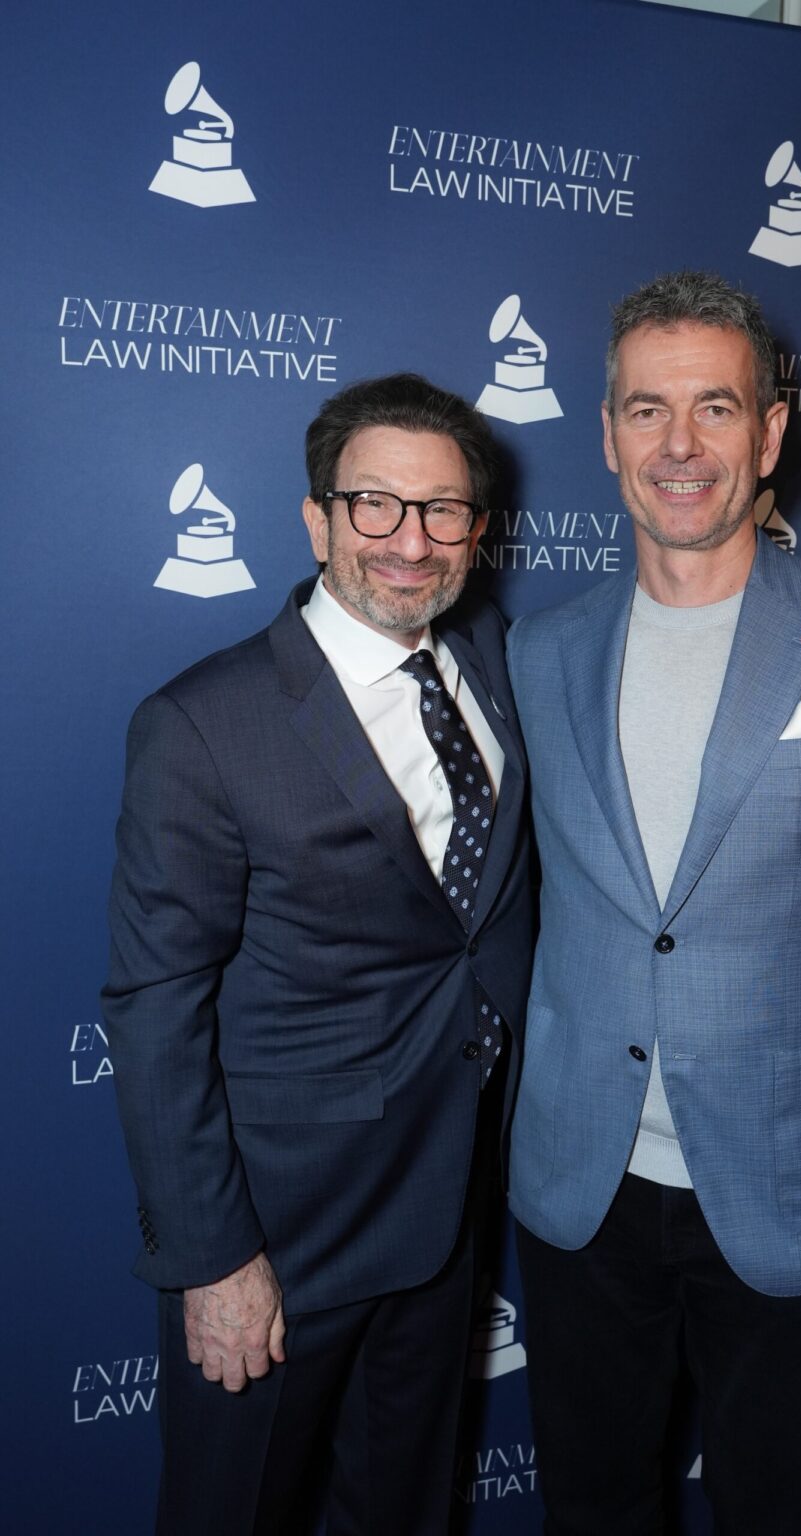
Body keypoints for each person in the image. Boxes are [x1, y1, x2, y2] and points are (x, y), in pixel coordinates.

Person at [506, 271, 801, 1536]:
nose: (679, 447)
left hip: (797, 1194)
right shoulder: (538, 650)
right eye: (647, 410)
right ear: (605, 430)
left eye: (714, 409)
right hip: (579, 1188)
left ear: (768, 431)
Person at [102, 373, 531, 1536]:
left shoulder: (492, 663)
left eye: (443, 510)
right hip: (281, 1239)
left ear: (475, 529)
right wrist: (214, 1258)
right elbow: (155, 1007)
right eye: (376, 505)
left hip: (447, 1208)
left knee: (400, 1510)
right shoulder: (204, 721)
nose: (410, 540)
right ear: (316, 517)